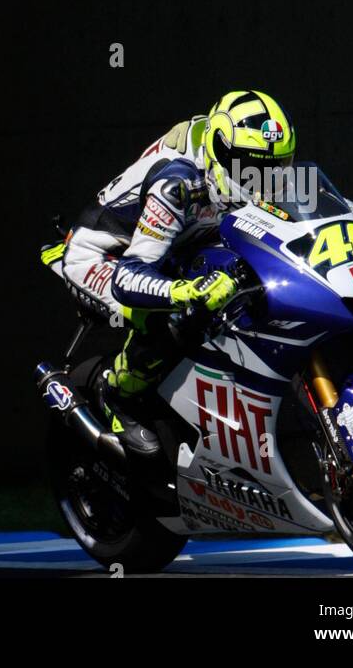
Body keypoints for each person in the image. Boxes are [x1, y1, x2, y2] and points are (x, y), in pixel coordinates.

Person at [60, 90, 296, 455]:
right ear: (221, 151)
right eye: (253, 168)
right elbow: (128, 277)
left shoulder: (228, 167)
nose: (263, 181)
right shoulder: (177, 184)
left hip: (180, 239)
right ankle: (117, 393)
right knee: (178, 314)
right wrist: (187, 292)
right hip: (104, 256)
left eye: (274, 168)